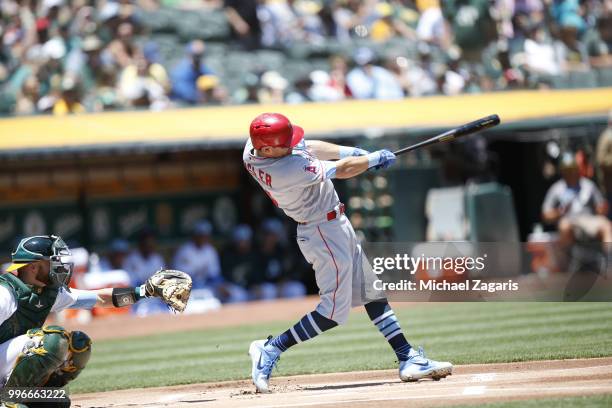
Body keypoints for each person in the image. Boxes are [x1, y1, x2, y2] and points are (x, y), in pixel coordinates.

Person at [243, 113, 452, 393]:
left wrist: (356, 153)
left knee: (372, 292)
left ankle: (407, 357)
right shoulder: (288, 170)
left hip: (333, 225)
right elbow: (342, 170)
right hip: (323, 233)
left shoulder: (253, 148)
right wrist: (371, 160)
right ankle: (271, 348)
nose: (292, 145)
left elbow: (309, 146)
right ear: (268, 150)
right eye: (285, 145)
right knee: (332, 313)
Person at [0, 235, 186, 406]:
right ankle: (9, 400)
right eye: (52, 262)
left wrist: (144, 291)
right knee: (53, 339)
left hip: (5, 362)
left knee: (78, 345)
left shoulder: (45, 291)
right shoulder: (5, 294)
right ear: (33, 267)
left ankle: (32, 397)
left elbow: (99, 298)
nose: (60, 267)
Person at [542, 153, 611, 247]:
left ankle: (609, 258)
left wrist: (602, 209)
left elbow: (600, 207)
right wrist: (560, 211)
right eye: (567, 170)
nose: (571, 173)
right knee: (564, 226)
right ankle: (565, 260)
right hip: (569, 220)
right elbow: (546, 215)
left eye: (573, 169)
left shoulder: (588, 185)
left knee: (606, 225)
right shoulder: (556, 189)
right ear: (563, 171)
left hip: (588, 220)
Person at [173, 220, 222, 290]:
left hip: (207, 284)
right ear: (195, 236)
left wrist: (219, 285)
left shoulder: (210, 250)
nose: (203, 238)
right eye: (201, 235)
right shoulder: (184, 251)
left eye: (206, 236)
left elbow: (214, 274)